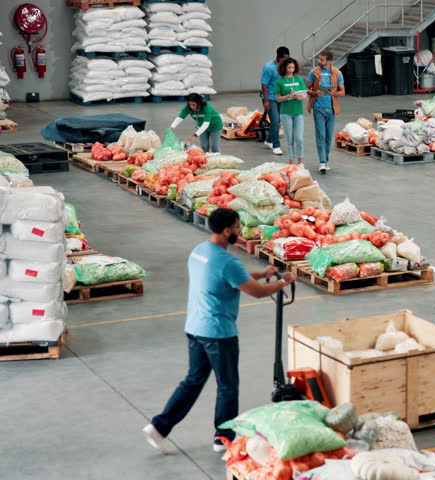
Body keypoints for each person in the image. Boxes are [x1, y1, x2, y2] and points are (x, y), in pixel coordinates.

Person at [142, 209, 297, 454]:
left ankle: (159, 426)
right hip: (218, 333)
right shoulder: (227, 261)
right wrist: (282, 281)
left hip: (195, 328)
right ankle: (223, 438)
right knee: (227, 385)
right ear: (226, 231)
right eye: (237, 227)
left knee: (193, 381)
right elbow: (256, 291)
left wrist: (262, 274)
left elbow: (230, 277)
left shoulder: (200, 251)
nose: (239, 231)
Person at [306, 50, 345, 174]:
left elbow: (342, 92)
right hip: (318, 108)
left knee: (328, 137)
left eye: (322, 60)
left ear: (329, 61)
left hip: (331, 108)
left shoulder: (337, 73)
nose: (319, 61)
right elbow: (306, 89)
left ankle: (326, 160)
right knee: (321, 136)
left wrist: (334, 93)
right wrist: (315, 93)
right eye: (319, 59)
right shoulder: (314, 72)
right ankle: (322, 162)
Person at [273, 57, 307, 166]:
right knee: (289, 139)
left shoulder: (299, 80)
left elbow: (305, 96)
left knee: (299, 138)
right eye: (289, 68)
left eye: (293, 67)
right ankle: (291, 162)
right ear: (284, 68)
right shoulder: (279, 81)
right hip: (285, 112)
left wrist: (298, 96)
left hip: (298, 112)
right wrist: (288, 96)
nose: (291, 70)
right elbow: (278, 98)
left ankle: (300, 162)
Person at [261, 46, 290, 156]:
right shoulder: (269, 67)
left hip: (280, 97)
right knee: (276, 121)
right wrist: (266, 101)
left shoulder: (285, 66)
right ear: (278, 57)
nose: (286, 62)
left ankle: (268, 140)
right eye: (284, 59)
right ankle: (276, 146)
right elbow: (264, 84)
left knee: (278, 121)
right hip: (270, 98)